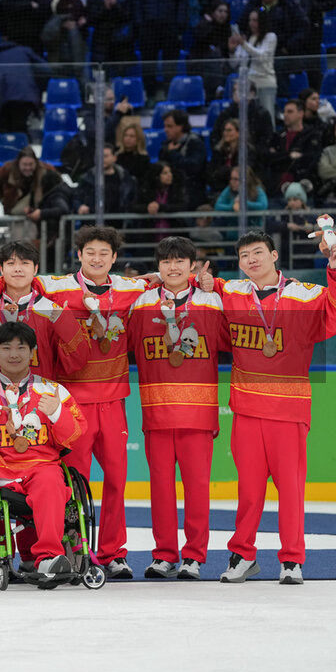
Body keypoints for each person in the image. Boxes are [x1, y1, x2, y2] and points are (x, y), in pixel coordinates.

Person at [0, 226, 149, 578]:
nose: (96, 259)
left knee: (118, 480)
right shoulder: (56, 287)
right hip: (70, 401)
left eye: (104, 253)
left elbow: (163, 282)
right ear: (78, 255)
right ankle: (77, 550)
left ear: (115, 258)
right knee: (74, 482)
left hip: (114, 400)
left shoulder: (130, 288)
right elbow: (18, 283)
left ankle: (114, 552)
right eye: (90, 252)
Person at [208, 230, 336, 584]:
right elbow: (205, 284)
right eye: (245, 255)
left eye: (258, 252)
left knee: (291, 491)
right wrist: (178, 276)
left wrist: (334, 261)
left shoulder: (303, 294)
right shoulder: (233, 292)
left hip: (288, 411)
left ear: (274, 255)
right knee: (248, 492)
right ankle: (242, 555)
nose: (251, 259)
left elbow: (334, 309)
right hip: (247, 410)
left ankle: (292, 560)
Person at [0, 321, 88, 580]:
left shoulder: (54, 392)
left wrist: (57, 413)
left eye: (21, 348)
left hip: (42, 467)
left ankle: (47, 558)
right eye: (6, 348)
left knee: (49, 479)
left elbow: (76, 435)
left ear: (33, 352)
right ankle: (5, 556)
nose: (14, 354)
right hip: (0, 473)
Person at [128, 237, 228, 580]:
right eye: (167, 262)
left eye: (180, 261)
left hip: (198, 414)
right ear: (158, 267)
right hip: (156, 412)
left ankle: (194, 557)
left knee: (197, 488)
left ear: (193, 266)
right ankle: (164, 555)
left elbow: (238, 336)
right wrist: (142, 281)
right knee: (160, 489)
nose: (173, 267)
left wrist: (220, 285)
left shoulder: (213, 302)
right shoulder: (140, 304)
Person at [0, 241, 90, 382]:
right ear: (1, 269)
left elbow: (77, 361)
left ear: (35, 269)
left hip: (40, 398)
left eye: (25, 263)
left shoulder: (52, 312)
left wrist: (65, 323)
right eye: (11, 264)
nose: (18, 269)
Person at [0, 146, 63, 245]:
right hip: (16, 213)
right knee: (17, 243)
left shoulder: (46, 170)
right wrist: (4, 199)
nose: (27, 168)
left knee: (34, 244)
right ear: (18, 163)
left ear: (36, 162)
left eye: (30, 164)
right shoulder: (7, 170)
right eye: (24, 164)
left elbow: (58, 184)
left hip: (38, 214)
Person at [229, 6, 278, 123]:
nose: (252, 23)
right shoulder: (248, 39)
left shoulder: (270, 37)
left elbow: (262, 57)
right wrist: (231, 51)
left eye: (255, 20)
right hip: (249, 85)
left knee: (268, 116)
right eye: (250, 20)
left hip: (265, 82)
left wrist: (244, 44)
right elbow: (234, 63)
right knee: (250, 119)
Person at [268, 99, 323, 195]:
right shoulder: (277, 136)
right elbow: (270, 160)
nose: (285, 114)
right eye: (284, 111)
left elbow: (309, 161)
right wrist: (289, 156)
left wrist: (281, 158)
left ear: (300, 114)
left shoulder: (312, 135)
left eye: (290, 112)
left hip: (303, 190)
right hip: (277, 190)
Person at [74, 145, 138, 227]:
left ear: (114, 158)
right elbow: (76, 198)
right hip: (94, 226)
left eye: (105, 156)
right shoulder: (87, 179)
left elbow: (132, 200)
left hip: (120, 226)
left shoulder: (126, 179)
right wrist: (79, 206)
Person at [158, 109, 207, 205]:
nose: (165, 130)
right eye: (165, 126)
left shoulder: (195, 143)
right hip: (172, 197)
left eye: (169, 126)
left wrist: (173, 153)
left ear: (180, 126)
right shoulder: (166, 145)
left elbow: (193, 167)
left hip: (191, 197)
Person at [136, 163, 190, 241]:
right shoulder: (146, 189)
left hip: (174, 236)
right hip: (150, 236)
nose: (169, 175)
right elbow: (133, 206)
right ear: (156, 176)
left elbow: (183, 205)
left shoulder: (177, 188)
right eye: (165, 173)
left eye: (170, 172)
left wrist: (160, 207)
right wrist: (147, 207)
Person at [208, 118, 259, 195]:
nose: (225, 133)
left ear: (239, 133)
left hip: (243, 192)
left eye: (229, 130)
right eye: (224, 130)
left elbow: (246, 172)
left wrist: (225, 172)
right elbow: (212, 174)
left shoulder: (248, 151)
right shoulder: (218, 151)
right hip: (219, 190)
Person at [114, 118, 151, 186]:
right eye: (125, 135)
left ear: (138, 139)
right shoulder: (117, 156)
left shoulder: (143, 159)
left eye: (132, 136)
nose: (128, 138)